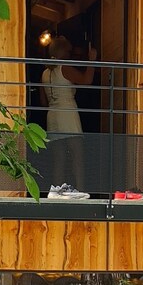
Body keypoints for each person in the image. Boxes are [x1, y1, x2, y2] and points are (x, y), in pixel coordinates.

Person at [39, 36, 97, 192]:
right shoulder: (64, 67)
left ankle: (57, 194)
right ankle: (81, 192)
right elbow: (87, 80)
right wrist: (92, 60)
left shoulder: (45, 73)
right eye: (69, 51)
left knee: (59, 160)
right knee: (78, 157)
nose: (70, 54)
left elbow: (43, 101)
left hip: (52, 116)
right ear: (63, 51)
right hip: (68, 113)